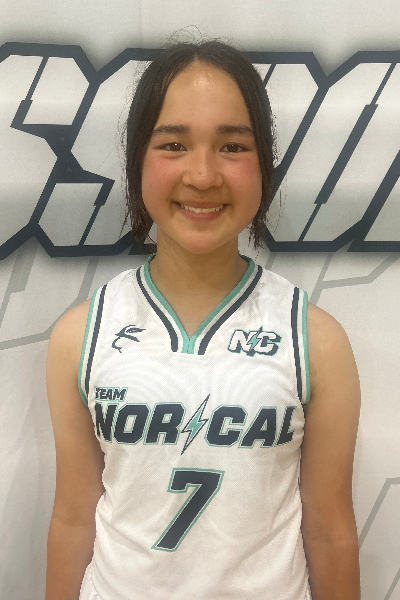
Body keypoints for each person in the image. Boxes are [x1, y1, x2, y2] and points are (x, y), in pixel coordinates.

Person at [46, 41, 361, 600]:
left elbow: (330, 529)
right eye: (173, 144)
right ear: (137, 162)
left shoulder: (316, 338)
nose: (202, 174)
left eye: (232, 146)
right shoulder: (81, 334)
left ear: (264, 166)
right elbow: (73, 516)